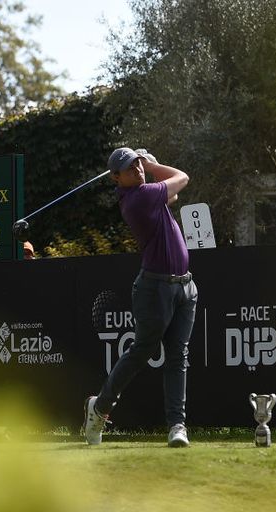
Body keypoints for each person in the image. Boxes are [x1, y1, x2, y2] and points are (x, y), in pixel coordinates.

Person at [83, 147, 197, 448]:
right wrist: (154, 164)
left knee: (177, 356)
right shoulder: (138, 199)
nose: (138, 170)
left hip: (185, 287)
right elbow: (182, 178)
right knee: (141, 352)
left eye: (138, 164)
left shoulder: (147, 194)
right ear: (116, 178)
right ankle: (99, 408)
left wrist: (151, 166)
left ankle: (177, 426)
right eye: (130, 168)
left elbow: (173, 197)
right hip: (154, 288)